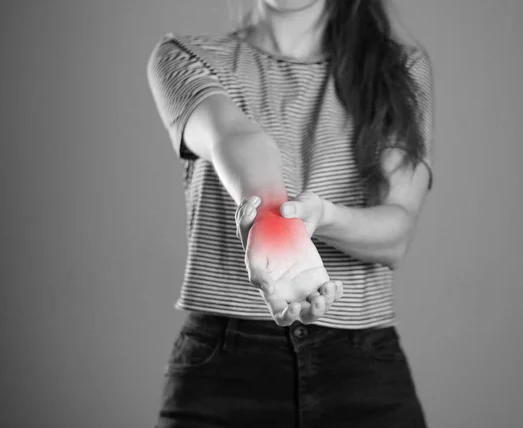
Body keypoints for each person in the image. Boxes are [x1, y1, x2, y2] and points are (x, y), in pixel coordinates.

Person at [146, 0, 434, 426]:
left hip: (363, 370)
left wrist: (322, 218)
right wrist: (271, 220)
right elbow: (234, 135)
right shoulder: (185, 56)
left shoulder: (400, 68)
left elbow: (397, 233)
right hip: (226, 368)